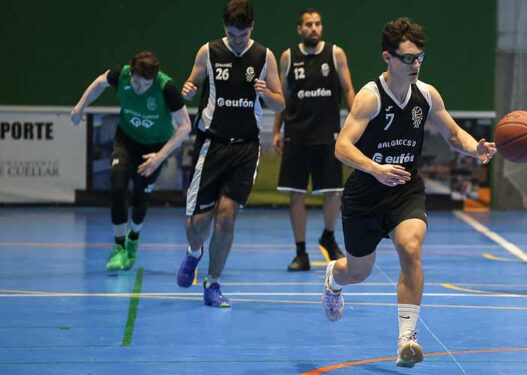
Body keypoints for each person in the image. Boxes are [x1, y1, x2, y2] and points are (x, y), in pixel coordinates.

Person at [321, 17, 496, 368]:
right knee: (358, 272)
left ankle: (406, 338)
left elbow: (453, 133)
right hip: (366, 194)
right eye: (408, 58)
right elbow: (342, 146)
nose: (415, 64)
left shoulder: (427, 95)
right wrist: (375, 168)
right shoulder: (370, 99)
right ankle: (333, 280)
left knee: (410, 246)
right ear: (388, 57)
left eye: (420, 57)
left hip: (405, 189)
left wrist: (474, 149)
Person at [175, 0, 285, 308]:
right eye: (232, 34)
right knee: (197, 221)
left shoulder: (264, 56)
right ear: (225, 28)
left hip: (246, 147)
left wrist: (267, 94)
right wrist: (188, 90)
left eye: (243, 33)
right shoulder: (208, 52)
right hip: (212, 144)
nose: (237, 40)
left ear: (252, 27)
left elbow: (280, 104)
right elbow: (192, 83)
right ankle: (194, 252)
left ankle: (213, 283)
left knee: (226, 215)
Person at [70, 51, 191, 271]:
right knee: (117, 186)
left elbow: (185, 126)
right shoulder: (121, 75)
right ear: (131, 72)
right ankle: (118, 248)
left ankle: (133, 237)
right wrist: (80, 107)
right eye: (136, 83)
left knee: (139, 198)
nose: (139, 89)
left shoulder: (167, 88)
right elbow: (99, 83)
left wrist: (159, 157)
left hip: (154, 149)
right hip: (126, 140)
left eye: (145, 85)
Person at [272, 8, 356, 271]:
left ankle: (328, 236)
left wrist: (357, 124)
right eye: (308, 24)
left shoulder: (335, 54)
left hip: (328, 135)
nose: (314, 28)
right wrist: (277, 131)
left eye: (318, 24)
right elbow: (281, 97)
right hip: (296, 136)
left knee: (333, 192)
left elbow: (349, 89)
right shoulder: (288, 57)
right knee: (296, 195)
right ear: (299, 29)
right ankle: (301, 252)